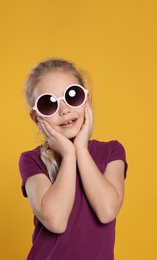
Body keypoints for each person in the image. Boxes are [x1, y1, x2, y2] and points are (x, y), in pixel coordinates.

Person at [19, 58, 128, 260]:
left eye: (72, 96)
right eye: (49, 104)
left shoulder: (112, 152)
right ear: (37, 118)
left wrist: (80, 149)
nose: (64, 110)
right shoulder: (31, 161)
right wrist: (69, 155)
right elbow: (56, 221)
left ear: (86, 100)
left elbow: (107, 211)